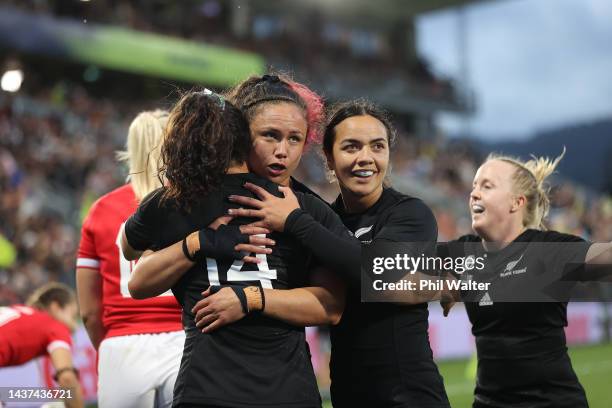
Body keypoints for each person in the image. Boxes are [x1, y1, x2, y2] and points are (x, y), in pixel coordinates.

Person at [204, 100, 450, 407]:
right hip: (347, 394)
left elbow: (379, 274)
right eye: (351, 147)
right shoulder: (323, 220)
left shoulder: (409, 213)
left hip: (409, 395)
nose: (366, 158)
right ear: (329, 159)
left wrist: (294, 221)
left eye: (377, 147)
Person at [122, 86, 347, 408]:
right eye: (270, 135)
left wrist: (248, 296)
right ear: (245, 135)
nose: (282, 151)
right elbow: (330, 307)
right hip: (287, 391)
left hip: (206, 390)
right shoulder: (307, 210)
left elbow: (132, 263)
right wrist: (198, 242)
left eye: (294, 138)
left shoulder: (171, 202)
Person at [440, 151, 612, 407]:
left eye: (487, 186)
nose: (473, 193)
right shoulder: (463, 252)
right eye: (474, 186)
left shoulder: (548, 250)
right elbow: (392, 275)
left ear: (516, 203)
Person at [76, 110, 184, 408]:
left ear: (131, 148)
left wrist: (110, 350)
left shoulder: (101, 209)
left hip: (122, 349)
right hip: (185, 342)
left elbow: (89, 313)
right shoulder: (193, 203)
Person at [0, 283, 84, 408]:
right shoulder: (55, 326)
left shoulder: (18, 312)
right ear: (56, 307)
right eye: (73, 315)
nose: (74, 323)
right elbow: (67, 378)